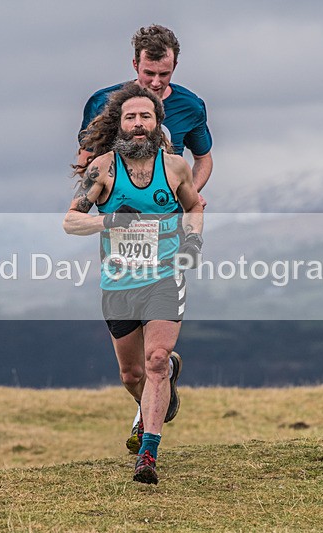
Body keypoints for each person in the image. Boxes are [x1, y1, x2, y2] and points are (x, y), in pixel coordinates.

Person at [63, 83, 204, 484]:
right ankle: (164, 386)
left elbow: (194, 206)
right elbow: (71, 221)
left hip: (164, 275)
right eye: (131, 117)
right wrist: (109, 221)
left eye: (146, 116)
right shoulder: (102, 169)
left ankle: (148, 453)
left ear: (158, 122)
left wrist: (192, 241)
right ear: (119, 124)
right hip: (119, 282)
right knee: (132, 375)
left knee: (155, 358)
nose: (138, 124)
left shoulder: (174, 167)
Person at [75, 24, 213, 208]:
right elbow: (85, 161)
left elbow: (203, 159)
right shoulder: (102, 102)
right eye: (149, 73)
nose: (156, 82)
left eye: (164, 74)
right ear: (135, 64)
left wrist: (189, 195)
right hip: (121, 213)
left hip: (170, 214)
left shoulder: (190, 106)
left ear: (174, 66)